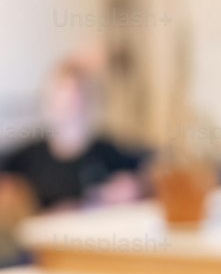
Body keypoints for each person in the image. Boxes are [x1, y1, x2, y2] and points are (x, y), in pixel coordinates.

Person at [0, 59, 149, 218]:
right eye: (62, 93)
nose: (71, 102)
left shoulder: (107, 152)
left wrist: (136, 187)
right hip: (43, 239)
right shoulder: (28, 157)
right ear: (48, 100)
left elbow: (148, 171)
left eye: (77, 94)